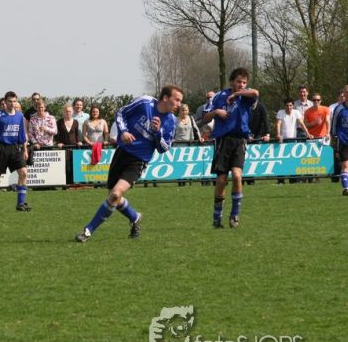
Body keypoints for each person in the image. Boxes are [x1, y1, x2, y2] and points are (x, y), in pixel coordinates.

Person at [75, 85, 183, 242]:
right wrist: (124, 131)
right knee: (113, 196)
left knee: (115, 194)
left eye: (180, 101)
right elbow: (121, 113)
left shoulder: (171, 121)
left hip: (138, 160)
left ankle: (88, 231)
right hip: (122, 152)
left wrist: (158, 132)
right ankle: (135, 217)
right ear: (166, 98)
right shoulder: (145, 102)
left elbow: (164, 148)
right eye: (177, 100)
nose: (179, 104)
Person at [203, 67, 259, 229]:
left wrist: (238, 94)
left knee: (237, 176)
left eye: (244, 82)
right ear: (231, 82)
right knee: (221, 180)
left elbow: (256, 93)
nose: (241, 85)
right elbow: (205, 117)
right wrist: (216, 112)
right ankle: (217, 217)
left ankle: (234, 214)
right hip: (223, 140)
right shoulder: (220, 96)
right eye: (238, 82)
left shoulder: (245, 96)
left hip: (240, 140)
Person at [0, 91, 31, 212]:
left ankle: (20, 204)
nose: (12, 104)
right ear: (5, 102)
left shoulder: (19, 116)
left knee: (23, 173)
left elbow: (22, 135)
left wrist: (25, 150)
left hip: (15, 148)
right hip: (1, 148)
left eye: (14, 101)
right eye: (10, 101)